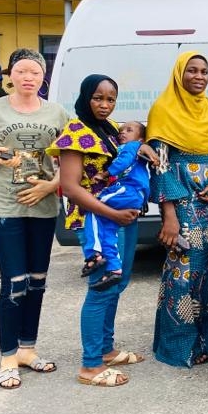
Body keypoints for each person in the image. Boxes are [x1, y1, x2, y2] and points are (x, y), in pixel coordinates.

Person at [0, 48, 68, 389]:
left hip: (43, 208)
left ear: (43, 77)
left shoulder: (57, 113)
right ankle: (8, 356)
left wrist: (51, 186)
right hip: (6, 208)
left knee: (37, 281)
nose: (28, 77)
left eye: (35, 72)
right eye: (22, 71)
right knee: (14, 282)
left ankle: (28, 349)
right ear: (10, 74)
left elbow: (69, 162)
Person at [50, 74, 153, 387]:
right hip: (96, 219)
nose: (105, 105)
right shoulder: (74, 132)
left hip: (121, 215)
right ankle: (90, 365)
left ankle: (106, 350)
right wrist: (113, 213)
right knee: (101, 288)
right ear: (86, 97)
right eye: (98, 98)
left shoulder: (110, 130)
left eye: (110, 99)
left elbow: (129, 157)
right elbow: (70, 187)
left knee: (117, 282)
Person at [148, 51, 208, 368]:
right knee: (182, 271)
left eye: (204, 71)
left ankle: (207, 339)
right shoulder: (163, 109)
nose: (199, 76)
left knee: (207, 270)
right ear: (179, 74)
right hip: (182, 200)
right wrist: (169, 217)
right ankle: (179, 347)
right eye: (192, 71)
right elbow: (160, 165)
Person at [79, 121, 150, 291]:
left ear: (140, 139)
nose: (122, 132)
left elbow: (123, 162)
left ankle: (93, 253)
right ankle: (114, 268)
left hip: (128, 190)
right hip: (131, 194)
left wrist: (105, 174)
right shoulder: (134, 148)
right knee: (109, 228)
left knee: (93, 208)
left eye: (129, 130)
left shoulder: (132, 146)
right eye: (121, 130)